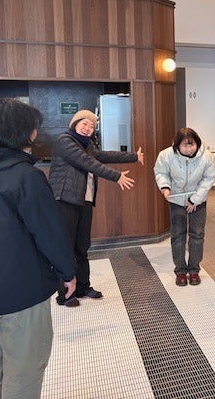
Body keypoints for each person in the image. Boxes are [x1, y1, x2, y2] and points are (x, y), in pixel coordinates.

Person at [0, 98, 76, 399]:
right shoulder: (26, 177)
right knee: (24, 371)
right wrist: (67, 272)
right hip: (21, 290)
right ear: (22, 132)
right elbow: (49, 233)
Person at [49, 109, 144, 307]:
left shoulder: (88, 146)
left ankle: (83, 287)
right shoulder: (64, 141)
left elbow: (104, 155)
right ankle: (65, 294)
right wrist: (116, 176)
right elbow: (87, 162)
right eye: (84, 123)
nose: (88, 128)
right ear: (74, 124)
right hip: (65, 199)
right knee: (66, 247)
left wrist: (134, 156)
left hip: (84, 201)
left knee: (82, 246)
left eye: (92, 126)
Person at [154, 127, 215, 286]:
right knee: (177, 235)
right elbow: (160, 172)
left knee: (197, 234)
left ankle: (194, 270)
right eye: (184, 145)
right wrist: (165, 187)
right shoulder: (166, 155)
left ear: (197, 143)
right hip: (176, 199)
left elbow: (208, 179)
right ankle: (180, 271)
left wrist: (195, 200)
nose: (189, 149)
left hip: (198, 200)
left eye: (192, 144)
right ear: (177, 145)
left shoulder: (207, 157)